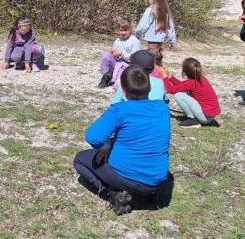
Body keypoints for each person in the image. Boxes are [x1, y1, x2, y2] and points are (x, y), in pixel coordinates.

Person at [74, 66, 172, 215]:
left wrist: (106, 146)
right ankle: (148, 195)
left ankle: (113, 194)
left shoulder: (120, 109)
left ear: (123, 91)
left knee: (80, 159)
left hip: (126, 176)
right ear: (150, 87)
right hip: (157, 179)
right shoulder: (162, 108)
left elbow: (93, 137)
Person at [161, 58, 221, 128]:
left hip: (205, 118)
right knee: (183, 93)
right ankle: (196, 118)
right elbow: (183, 86)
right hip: (210, 115)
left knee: (178, 95)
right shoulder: (201, 78)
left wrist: (164, 77)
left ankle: (193, 120)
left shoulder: (191, 82)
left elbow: (170, 90)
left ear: (185, 71)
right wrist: (170, 77)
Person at [98, 17, 141, 88]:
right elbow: (115, 54)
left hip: (128, 67)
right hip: (118, 64)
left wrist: (122, 54)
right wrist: (112, 52)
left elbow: (135, 59)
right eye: (121, 30)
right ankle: (106, 76)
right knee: (106, 56)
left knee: (118, 85)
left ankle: (120, 81)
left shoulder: (135, 41)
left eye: (126, 30)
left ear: (130, 30)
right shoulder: (117, 40)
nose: (123, 33)